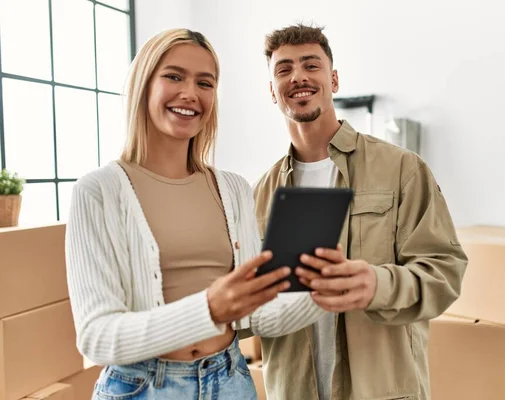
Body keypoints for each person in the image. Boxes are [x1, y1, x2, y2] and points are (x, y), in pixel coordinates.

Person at [65, 28, 326, 400]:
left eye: (205, 83)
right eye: (174, 76)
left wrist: (320, 294)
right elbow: (97, 339)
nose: (191, 93)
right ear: (144, 85)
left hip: (230, 379)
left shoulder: (233, 189)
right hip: (141, 388)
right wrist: (208, 308)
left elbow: (256, 315)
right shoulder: (99, 191)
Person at [253, 23, 469, 400]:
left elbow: (445, 273)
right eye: (284, 69)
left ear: (333, 80)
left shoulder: (402, 168)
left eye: (311, 65)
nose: (298, 76)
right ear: (272, 91)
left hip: (380, 391)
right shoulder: (261, 193)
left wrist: (377, 285)